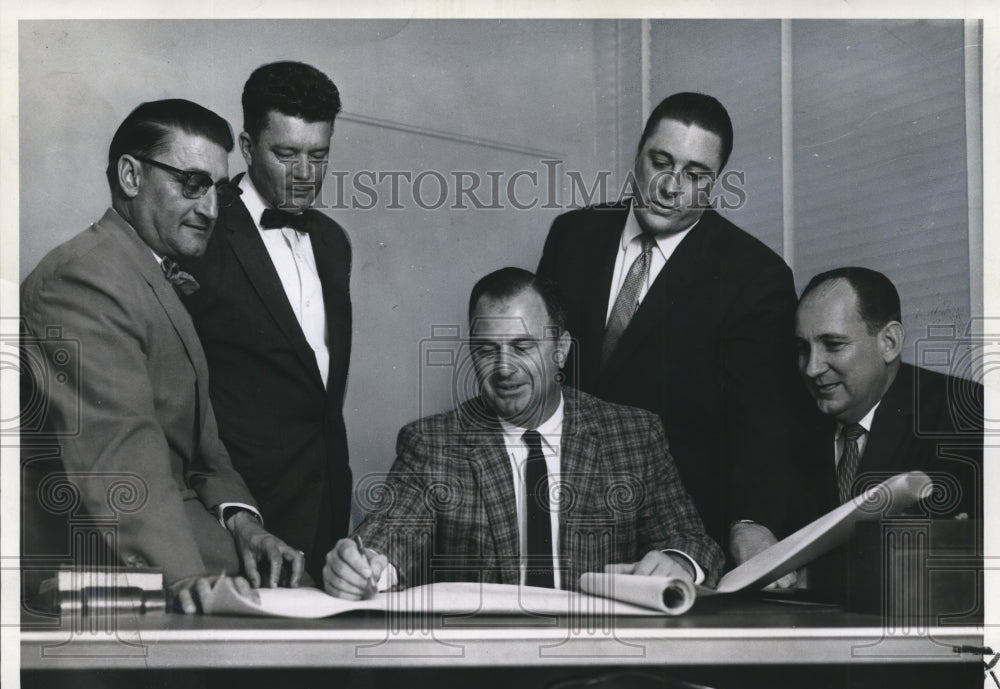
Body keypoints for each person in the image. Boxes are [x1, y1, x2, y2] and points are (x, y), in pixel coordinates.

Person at [20, 99, 304, 612]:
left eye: (218, 189)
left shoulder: (147, 273)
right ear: (130, 175)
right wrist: (183, 579)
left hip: (195, 568)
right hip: (120, 590)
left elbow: (200, 451)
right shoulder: (84, 280)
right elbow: (121, 453)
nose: (211, 209)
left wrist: (244, 525)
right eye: (191, 183)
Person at [322, 268, 724, 599]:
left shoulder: (634, 435)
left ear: (560, 350)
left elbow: (692, 539)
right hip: (482, 670)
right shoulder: (434, 444)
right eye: (485, 350)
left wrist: (678, 560)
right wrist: (364, 567)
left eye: (522, 347)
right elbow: (391, 535)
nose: (504, 368)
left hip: (602, 663)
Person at [536, 92, 805, 565]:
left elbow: (763, 421)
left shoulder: (756, 276)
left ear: (716, 182)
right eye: (661, 161)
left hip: (671, 539)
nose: (671, 187)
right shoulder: (572, 236)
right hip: (554, 517)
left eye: (696, 175)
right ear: (637, 155)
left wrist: (750, 521)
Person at [180, 61, 352, 585]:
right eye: (287, 154)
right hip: (236, 517)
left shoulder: (332, 241)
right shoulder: (197, 232)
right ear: (248, 146)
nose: (305, 174)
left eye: (319, 155)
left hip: (325, 507)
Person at [795, 267, 983, 519]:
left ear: (889, 343)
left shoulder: (965, 414)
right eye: (803, 348)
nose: (812, 368)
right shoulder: (790, 421)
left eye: (833, 345)